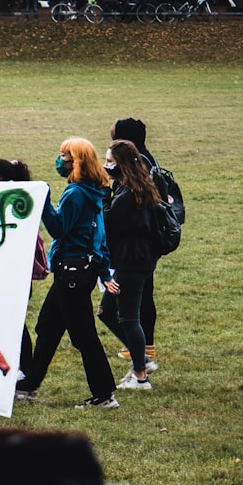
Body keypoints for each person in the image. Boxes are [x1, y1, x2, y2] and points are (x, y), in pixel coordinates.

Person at [15, 138, 121, 409]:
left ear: (78, 162)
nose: (59, 159)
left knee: (83, 335)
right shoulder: (93, 191)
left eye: (64, 156)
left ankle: (104, 394)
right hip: (81, 270)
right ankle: (29, 386)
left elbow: (59, 228)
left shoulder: (75, 194)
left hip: (71, 273)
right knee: (48, 327)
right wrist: (103, 271)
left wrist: (44, 203)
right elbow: (100, 237)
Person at [98, 139, 162, 390]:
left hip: (130, 264)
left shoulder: (127, 194)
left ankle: (140, 375)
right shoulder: (136, 187)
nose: (106, 166)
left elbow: (108, 222)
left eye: (110, 162)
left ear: (122, 164)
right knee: (107, 312)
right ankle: (140, 359)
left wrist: (104, 194)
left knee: (126, 318)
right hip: (138, 261)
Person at [0, 158, 47, 382]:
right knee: (7, 323)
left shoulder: (11, 209)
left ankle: (23, 368)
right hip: (4, 276)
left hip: (12, 277)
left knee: (14, 324)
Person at [110, 117, 159, 364]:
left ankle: (142, 356)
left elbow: (115, 220)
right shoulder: (141, 167)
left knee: (126, 308)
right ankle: (142, 350)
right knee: (119, 307)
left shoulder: (131, 187)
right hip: (141, 252)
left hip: (134, 254)